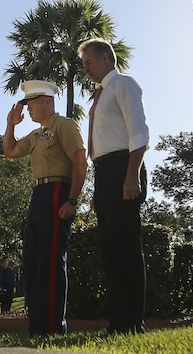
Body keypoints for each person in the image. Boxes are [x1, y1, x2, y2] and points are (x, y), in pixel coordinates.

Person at [3, 80, 88, 336]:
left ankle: (53, 326)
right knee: (35, 262)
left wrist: (72, 200)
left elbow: (80, 163)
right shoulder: (37, 135)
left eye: (31, 103)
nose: (27, 109)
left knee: (51, 261)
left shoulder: (64, 125)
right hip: (38, 195)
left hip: (57, 193)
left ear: (47, 102)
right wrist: (10, 125)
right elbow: (9, 151)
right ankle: (38, 326)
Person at [79, 38, 150, 335]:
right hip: (104, 173)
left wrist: (131, 175)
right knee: (109, 251)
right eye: (84, 64)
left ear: (107, 58)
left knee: (126, 248)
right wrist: (97, 190)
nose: (87, 69)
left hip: (124, 166)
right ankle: (118, 321)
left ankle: (134, 322)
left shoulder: (123, 84)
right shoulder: (98, 95)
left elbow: (138, 132)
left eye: (89, 62)